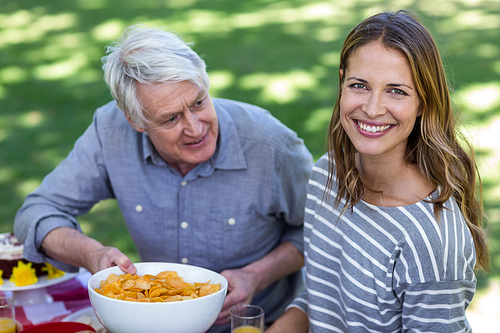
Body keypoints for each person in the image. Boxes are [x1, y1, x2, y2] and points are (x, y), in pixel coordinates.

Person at [14, 25, 313, 332]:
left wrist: (256, 275)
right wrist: (92, 254)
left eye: (198, 102)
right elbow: (36, 214)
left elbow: (322, 231)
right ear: (136, 120)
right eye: (170, 118)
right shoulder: (111, 131)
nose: (196, 129)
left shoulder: (272, 145)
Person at [266, 10, 489, 333]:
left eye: (396, 91)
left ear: (424, 103)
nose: (372, 108)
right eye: (359, 85)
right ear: (341, 82)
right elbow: (321, 299)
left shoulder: (431, 240)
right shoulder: (326, 175)